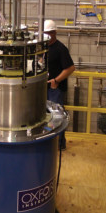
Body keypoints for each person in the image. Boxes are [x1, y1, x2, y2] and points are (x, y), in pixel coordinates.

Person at [44, 20, 75, 150]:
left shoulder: (60, 49)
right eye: (45, 33)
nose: (47, 35)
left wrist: (56, 81)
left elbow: (71, 68)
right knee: (46, 117)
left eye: (50, 33)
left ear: (55, 32)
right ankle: (48, 143)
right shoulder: (42, 47)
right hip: (43, 88)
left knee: (57, 117)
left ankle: (60, 144)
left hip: (55, 89)